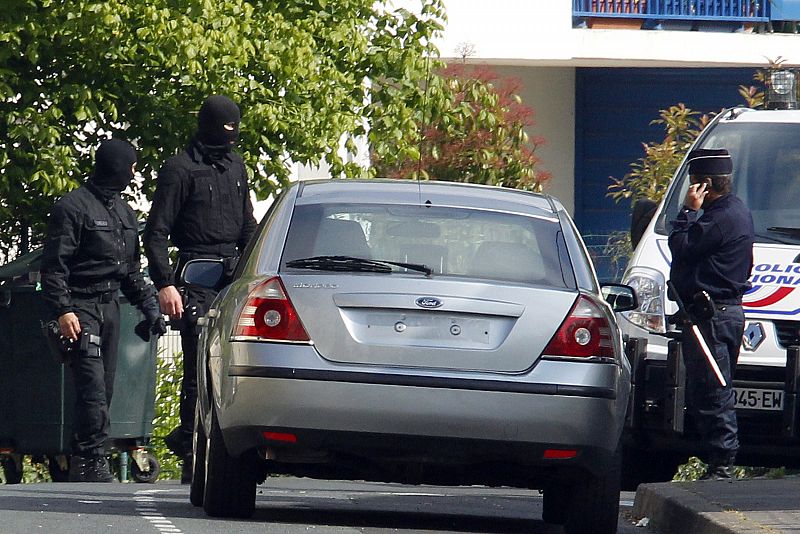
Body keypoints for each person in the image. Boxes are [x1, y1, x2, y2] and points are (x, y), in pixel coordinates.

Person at [143, 95, 256, 482]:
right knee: (196, 371)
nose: (232, 135)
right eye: (226, 128)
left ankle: (228, 452)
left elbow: (247, 227)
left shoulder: (236, 165)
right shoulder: (180, 169)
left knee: (236, 367)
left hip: (234, 276)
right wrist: (165, 285)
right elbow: (155, 232)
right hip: (194, 277)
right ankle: (193, 456)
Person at [40, 138, 166, 482]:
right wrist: (63, 310)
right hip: (81, 307)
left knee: (106, 388)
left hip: (110, 307)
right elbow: (54, 267)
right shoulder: (73, 207)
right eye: (131, 165)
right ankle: (89, 460)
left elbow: (129, 272)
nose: (134, 172)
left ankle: (87, 455)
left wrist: (151, 308)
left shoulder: (124, 213)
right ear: (117, 166)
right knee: (92, 388)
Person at [668, 147, 754, 481]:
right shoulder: (734, 211)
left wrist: (688, 212)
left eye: (693, 184)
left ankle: (722, 465)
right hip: (716, 314)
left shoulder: (718, 218)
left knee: (715, 391)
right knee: (706, 391)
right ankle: (716, 461)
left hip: (712, 317)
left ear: (703, 185)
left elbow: (681, 245)